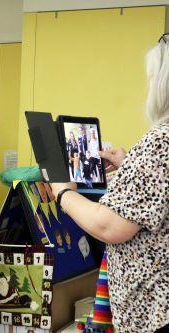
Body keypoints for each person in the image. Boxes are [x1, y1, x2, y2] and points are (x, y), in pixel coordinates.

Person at [50, 38, 169, 333]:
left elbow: (110, 226)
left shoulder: (160, 141)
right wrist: (130, 164)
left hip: (156, 311)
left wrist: (63, 192)